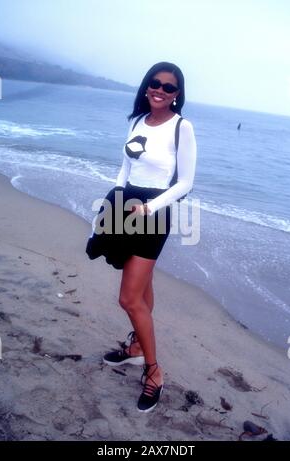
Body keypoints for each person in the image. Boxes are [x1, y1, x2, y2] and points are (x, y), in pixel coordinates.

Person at [87, 62, 197, 412]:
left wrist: (148, 209)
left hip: (152, 214)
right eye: (155, 84)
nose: (160, 91)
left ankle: (153, 372)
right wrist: (114, 203)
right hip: (124, 205)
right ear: (146, 85)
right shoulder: (136, 121)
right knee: (141, 288)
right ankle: (135, 350)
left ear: (177, 95)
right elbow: (126, 167)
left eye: (169, 87)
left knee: (129, 298)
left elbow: (185, 183)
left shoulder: (182, 127)